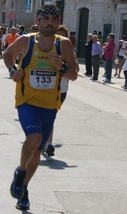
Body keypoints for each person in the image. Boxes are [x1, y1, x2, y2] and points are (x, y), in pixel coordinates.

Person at [3, 5, 78, 210]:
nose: (50, 23)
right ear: (37, 21)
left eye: (54, 20)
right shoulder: (26, 41)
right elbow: (7, 54)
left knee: (36, 152)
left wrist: (61, 67)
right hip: (27, 101)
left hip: (50, 105)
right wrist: (12, 71)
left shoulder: (63, 45)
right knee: (34, 140)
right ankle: (20, 171)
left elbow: (74, 74)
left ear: (58, 22)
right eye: (46, 19)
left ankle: (23, 187)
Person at [43, 24, 79, 157]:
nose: (61, 40)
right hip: (44, 87)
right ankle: (46, 141)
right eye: (58, 37)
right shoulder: (45, 49)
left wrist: (63, 69)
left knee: (50, 115)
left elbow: (75, 72)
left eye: (64, 38)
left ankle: (48, 143)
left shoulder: (70, 52)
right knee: (45, 115)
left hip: (61, 89)